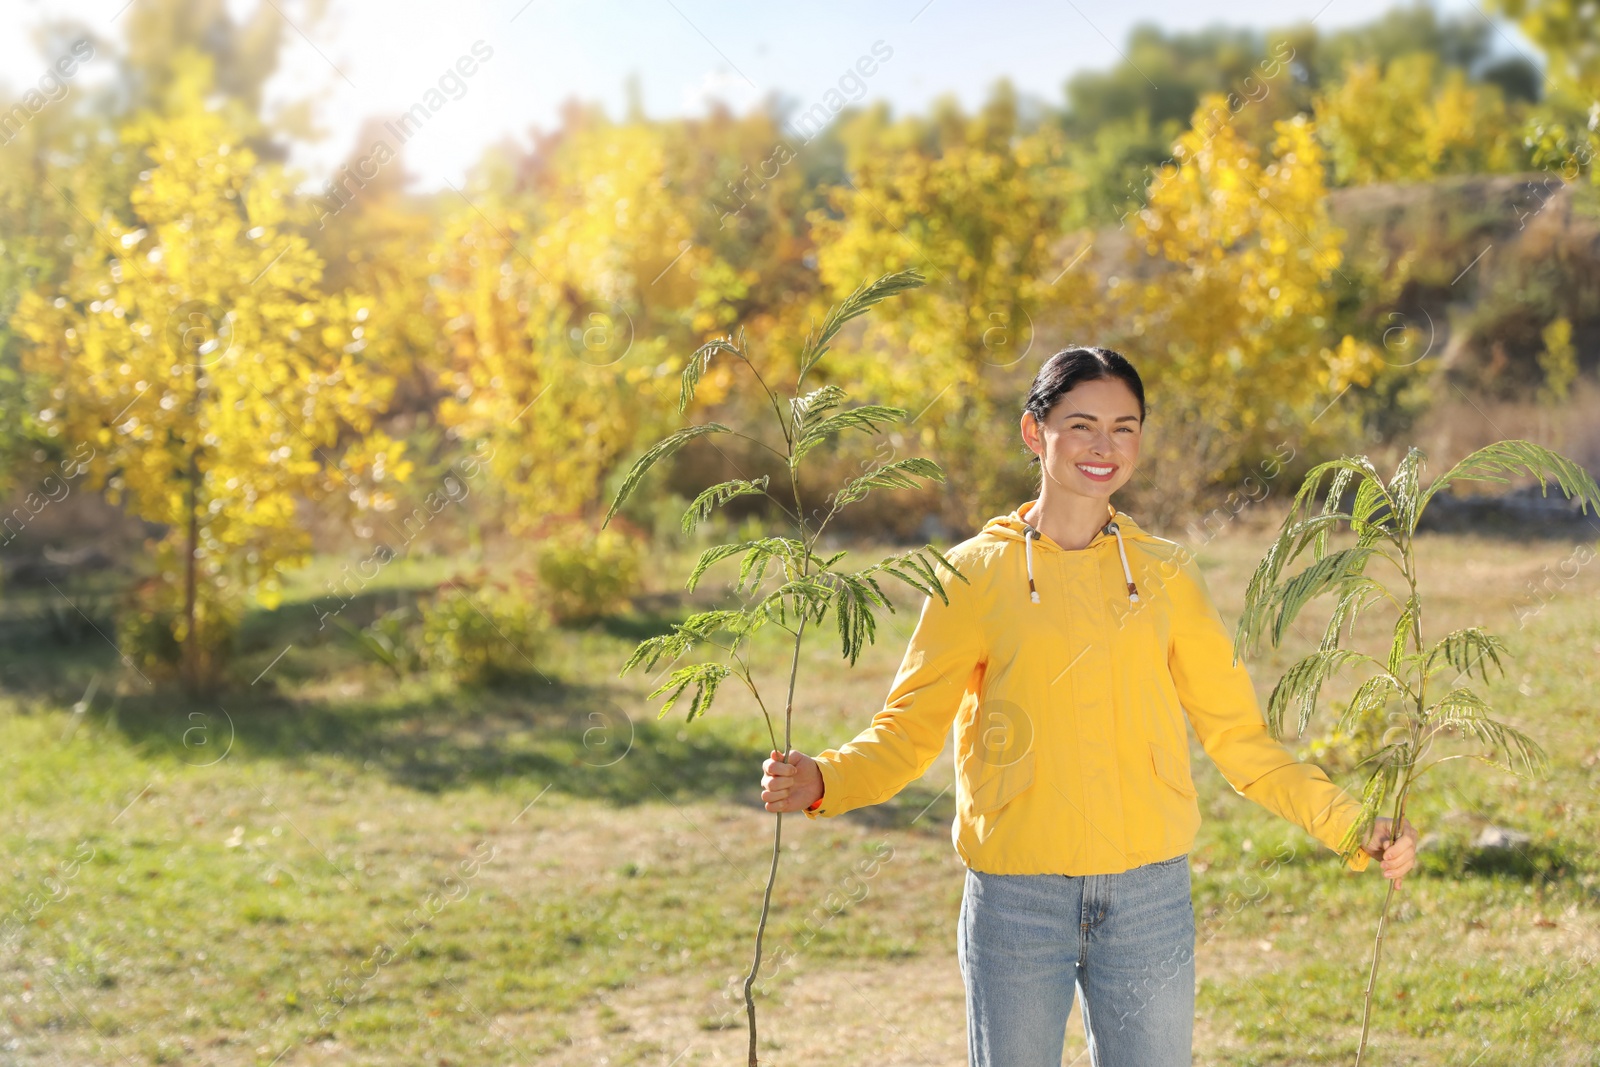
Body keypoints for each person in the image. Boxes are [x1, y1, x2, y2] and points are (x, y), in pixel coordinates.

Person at [757, 346, 1419, 1066]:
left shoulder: (1166, 574)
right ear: (1034, 432)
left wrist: (1355, 823)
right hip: (1016, 902)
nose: (1104, 446)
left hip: (1148, 900)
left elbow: (1239, 739)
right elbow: (909, 730)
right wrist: (826, 778)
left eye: (1124, 427)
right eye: (1082, 424)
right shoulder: (975, 575)